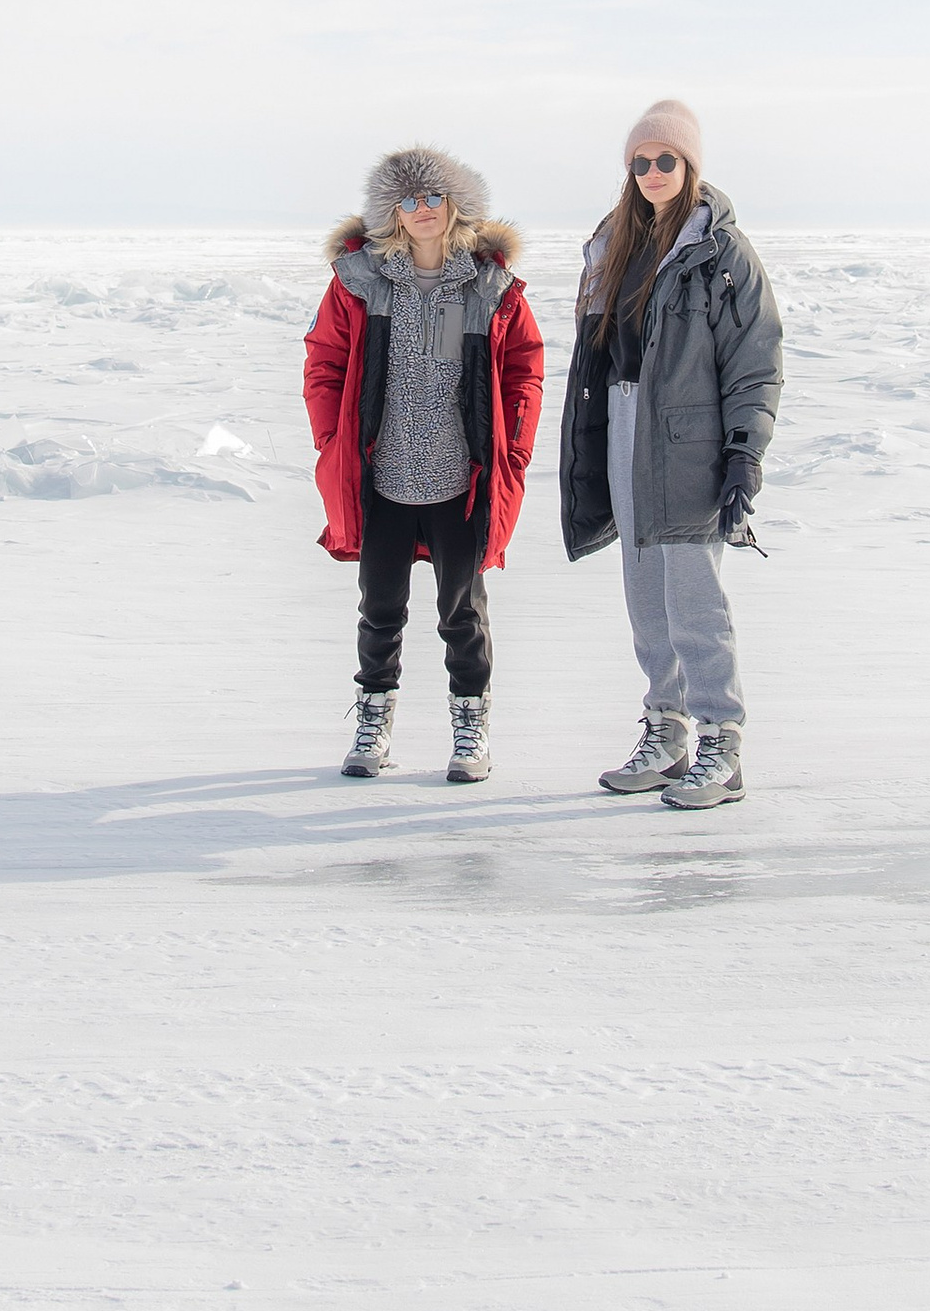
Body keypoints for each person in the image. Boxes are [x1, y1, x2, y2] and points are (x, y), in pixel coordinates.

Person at [559, 97, 783, 810]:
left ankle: (722, 739)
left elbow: (756, 360)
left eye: (666, 159)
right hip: (625, 425)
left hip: (691, 438)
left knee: (692, 591)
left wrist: (745, 451)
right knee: (645, 586)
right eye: (641, 161)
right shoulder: (615, 241)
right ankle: (666, 731)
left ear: (689, 166)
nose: (652, 170)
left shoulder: (721, 252)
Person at [304, 145, 544, 783]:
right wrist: (334, 437)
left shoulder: (488, 286)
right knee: (380, 607)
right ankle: (373, 721)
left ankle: (471, 730)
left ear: (455, 204)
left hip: (458, 481)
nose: (422, 210)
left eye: (433, 196)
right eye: (407, 200)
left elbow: (525, 369)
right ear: (392, 213)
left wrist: (512, 445)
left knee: (461, 612)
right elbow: (323, 362)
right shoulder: (361, 282)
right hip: (382, 478)